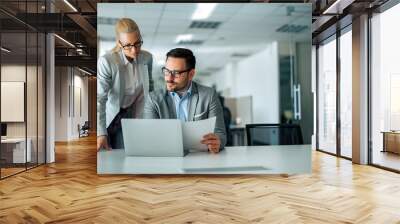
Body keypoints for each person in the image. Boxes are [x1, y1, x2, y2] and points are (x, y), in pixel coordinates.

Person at [143, 48, 226, 153]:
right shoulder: (153, 99)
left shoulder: (208, 95)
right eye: (167, 71)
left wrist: (217, 142)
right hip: (167, 158)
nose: (169, 78)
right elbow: (149, 138)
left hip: (200, 159)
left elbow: (220, 134)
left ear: (191, 74)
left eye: (176, 73)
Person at [97, 18, 153, 151]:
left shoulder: (147, 58)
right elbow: (100, 99)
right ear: (119, 43)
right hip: (113, 117)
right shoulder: (107, 62)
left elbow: (150, 91)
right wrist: (100, 133)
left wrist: (151, 121)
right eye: (128, 45)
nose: (134, 50)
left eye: (137, 43)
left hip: (135, 115)